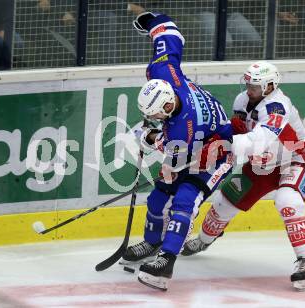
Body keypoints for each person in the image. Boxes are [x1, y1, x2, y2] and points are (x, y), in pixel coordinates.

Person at [181, 61, 305, 291]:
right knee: (223, 204)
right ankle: (204, 241)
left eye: (255, 86)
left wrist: (222, 145)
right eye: (248, 84)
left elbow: (257, 142)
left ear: (269, 87)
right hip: (263, 164)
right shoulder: (242, 101)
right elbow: (237, 130)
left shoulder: (278, 107)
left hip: (298, 157)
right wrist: (212, 141)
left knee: (288, 202)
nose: (249, 89)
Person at [119, 11, 233, 291]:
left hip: (216, 154)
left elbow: (175, 156)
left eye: (159, 116)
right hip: (188, 147)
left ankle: (166, 260)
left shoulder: (183, 128)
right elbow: (171, 37)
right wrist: (153, 21)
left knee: (185, 200)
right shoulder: (165, 76)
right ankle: (153, 241)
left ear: (167, 108)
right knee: (158, 198)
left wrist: (148, 136)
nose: (158, 118)